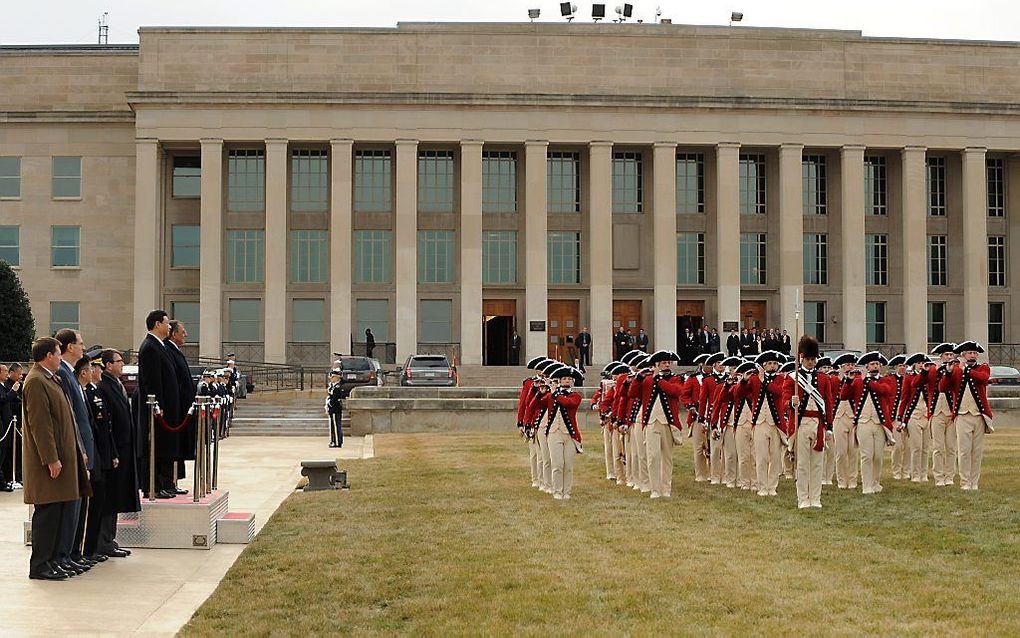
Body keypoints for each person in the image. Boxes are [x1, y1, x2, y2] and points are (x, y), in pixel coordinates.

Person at [23, 336, 91, 580]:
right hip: (49, 464)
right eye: (57, 353)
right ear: (48, 356)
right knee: (48, 514)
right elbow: (41, 425)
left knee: (59, 513)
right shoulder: (35, 381)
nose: (60, 357)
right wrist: (51, 458)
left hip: (64, 459)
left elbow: (67, 420)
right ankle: (40, 565)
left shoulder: (51, 379)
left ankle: (53, 561)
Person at [53, 329, 97, 574]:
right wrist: (78, 449)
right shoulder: (62, 373)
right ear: (69, 346)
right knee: (70, 509)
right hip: (74, 451)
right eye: (80, 343)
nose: (83, 347)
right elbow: (68, 418)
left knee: (78, 509)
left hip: (82, 450)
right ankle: (64, 555)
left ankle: (71, 554)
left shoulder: (69, 374)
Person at [95, 349, 137, 557]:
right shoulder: (103, 386)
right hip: (113, 451)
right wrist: (113, 451)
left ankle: (110, 539)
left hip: (123, 449)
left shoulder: (116, 384)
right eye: (118, 361)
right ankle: (102, 541)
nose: (122, 364)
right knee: (108, 498)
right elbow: (107, 424)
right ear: (108, 365)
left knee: (116, 498)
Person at [135, 309, 181, 499]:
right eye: (166, 322)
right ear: (157, 324)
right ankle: (153, 485)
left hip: (166, 409)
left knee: (164, 447)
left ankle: (164, 483)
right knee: (155, 447)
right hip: (157, 409)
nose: (169, 326)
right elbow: (151, 381)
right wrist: (157, 405)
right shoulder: (149, 347)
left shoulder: (159, 345)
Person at [786, 336, 836, 509]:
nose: (811, 362)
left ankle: (815, 498)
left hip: (818, 423)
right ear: (802, 358)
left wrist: (829, 427)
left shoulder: (823, 379)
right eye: (808, 359)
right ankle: (803, 499)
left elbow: (828, 403)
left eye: (813, 359)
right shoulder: (792, 378)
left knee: (817, 464)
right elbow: (785, 401)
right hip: (801, 423)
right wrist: (791, 403)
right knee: (802, 464)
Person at [631, 350, 684, 499]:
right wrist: (638, 378)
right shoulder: (647, 380)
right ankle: (654, 489)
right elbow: (632, 394)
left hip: (668, 422)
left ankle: (666, 488)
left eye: (668, 363)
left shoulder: (675, 379)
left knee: (667, 457)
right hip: (651, 422)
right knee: (653, 456)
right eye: (663, 363)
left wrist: (659, 379)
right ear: (657, 365)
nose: (667, 365)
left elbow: (675, 391)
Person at [842, 352, 897, 495]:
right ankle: (867, 486)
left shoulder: (886, 380)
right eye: (872, 364)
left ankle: (875, 482)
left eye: (877, 364)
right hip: (863, 422)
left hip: (879, 423)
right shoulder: (859, 381)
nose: (875, 366)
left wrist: (868, 382)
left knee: (878, 456)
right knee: (866, 455)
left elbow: (885, 390)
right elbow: (844, 396)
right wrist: (848, 381)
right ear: (866, 366)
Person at [941, 341, 992, 491]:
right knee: (963, 451)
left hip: (978, 415)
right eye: (970, 353)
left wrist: (967, 370)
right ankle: (964, 482)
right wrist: (949, 372)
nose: (973, 355)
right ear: (963, 355)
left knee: (976, 452)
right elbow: (942, 388)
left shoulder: (983, 368)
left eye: (975, 353)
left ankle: (974, 482)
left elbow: (983, 379)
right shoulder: (956, 370)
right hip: (962, 415)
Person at [78, 357, 114, 563]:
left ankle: (91, 548)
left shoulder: (94, 391)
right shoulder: (87, 392)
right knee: (91, 504)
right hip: (92, 454)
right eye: (94, 368)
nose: (96, 371)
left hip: (99, 453)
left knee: (99, 502)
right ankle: (86, 550)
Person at [736, 351, 787, 497]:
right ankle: (762, 486)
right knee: (761, 456)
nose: (773, 366)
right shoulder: (754, 379)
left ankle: (772, 486)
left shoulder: (780, 379)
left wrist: (765, 381)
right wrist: (744, 381)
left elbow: (779, 392)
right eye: (770, 363)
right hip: (759, 422)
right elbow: (739, 394)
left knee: (775, 457)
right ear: (763, 365)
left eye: (775, 363)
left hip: (775, 423)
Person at [537, 366, 583, 500]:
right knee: (557, 464)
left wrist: (555, 393)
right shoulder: (552, 395)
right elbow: (538, 404)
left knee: (568, 465)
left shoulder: (576, 396)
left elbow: (569, 404)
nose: (567, 381)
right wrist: (540, 391)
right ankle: (557, 491)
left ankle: (566, 491)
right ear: (560, 381)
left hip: (569, 434)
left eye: (569, 379)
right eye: (564, 379)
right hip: (553, 432)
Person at [166, 320, 196, 494]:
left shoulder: (174, 351)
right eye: (183, 331)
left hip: (183, 410)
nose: (186, 334)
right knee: (171, 449)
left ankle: (173, 481)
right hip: (174, 412)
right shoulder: (168, 350)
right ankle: (168, 482)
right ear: (174, 333)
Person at [925, 343, 959, 487]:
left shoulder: (957, 370)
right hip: (937, 412)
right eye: (947, 355)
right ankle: (939, 477)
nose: (949, 357)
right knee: (938, 447)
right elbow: (921, 382)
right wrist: (933, 370)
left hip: (951, 412)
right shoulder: (934, 370)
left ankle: (950, 475)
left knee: (951, 447)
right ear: (941, 357)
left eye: (951, 355)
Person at [897, 352, 932, 483]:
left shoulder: (929, 377)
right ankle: (915, 474)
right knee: (916, 447)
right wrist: (901, 417)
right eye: (919, 363)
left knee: (925, 447)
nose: (921, 365)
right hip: (914, 415)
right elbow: (904, 398)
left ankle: (924, 474)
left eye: (923, 363)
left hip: (926, 415)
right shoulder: (909, 378)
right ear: (914, 365)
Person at [831, 353, 860, 489]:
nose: (850, 367)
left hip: (853, 417)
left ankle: (852, 479)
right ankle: (842, 480)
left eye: (852, 365)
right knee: (841, 452)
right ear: (841, 367)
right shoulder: (834, 380)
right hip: (838, 417)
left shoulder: (856, 380)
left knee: (853, 451)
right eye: (847, 365)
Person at [887, 354, 909, 480]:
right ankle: (896, 471)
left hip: (908, 414)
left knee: (908, 446)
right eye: (900, 366)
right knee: (898, 446)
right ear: (896, 367)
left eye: (905, 366)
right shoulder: (890, 379)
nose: (903, 368)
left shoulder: (910, 378)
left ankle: (906, 471)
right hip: (894, 416)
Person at [325, 368, 345, 448]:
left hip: (335, 408)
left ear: (336, 377)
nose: (331, 379)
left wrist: (329, 402)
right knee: (333, 425)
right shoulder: (332, 386)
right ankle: (333, 440)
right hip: (332, 408)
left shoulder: (337, 387)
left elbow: (335, 397)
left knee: (336, 425)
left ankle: (337, 441)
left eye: (333, 377)